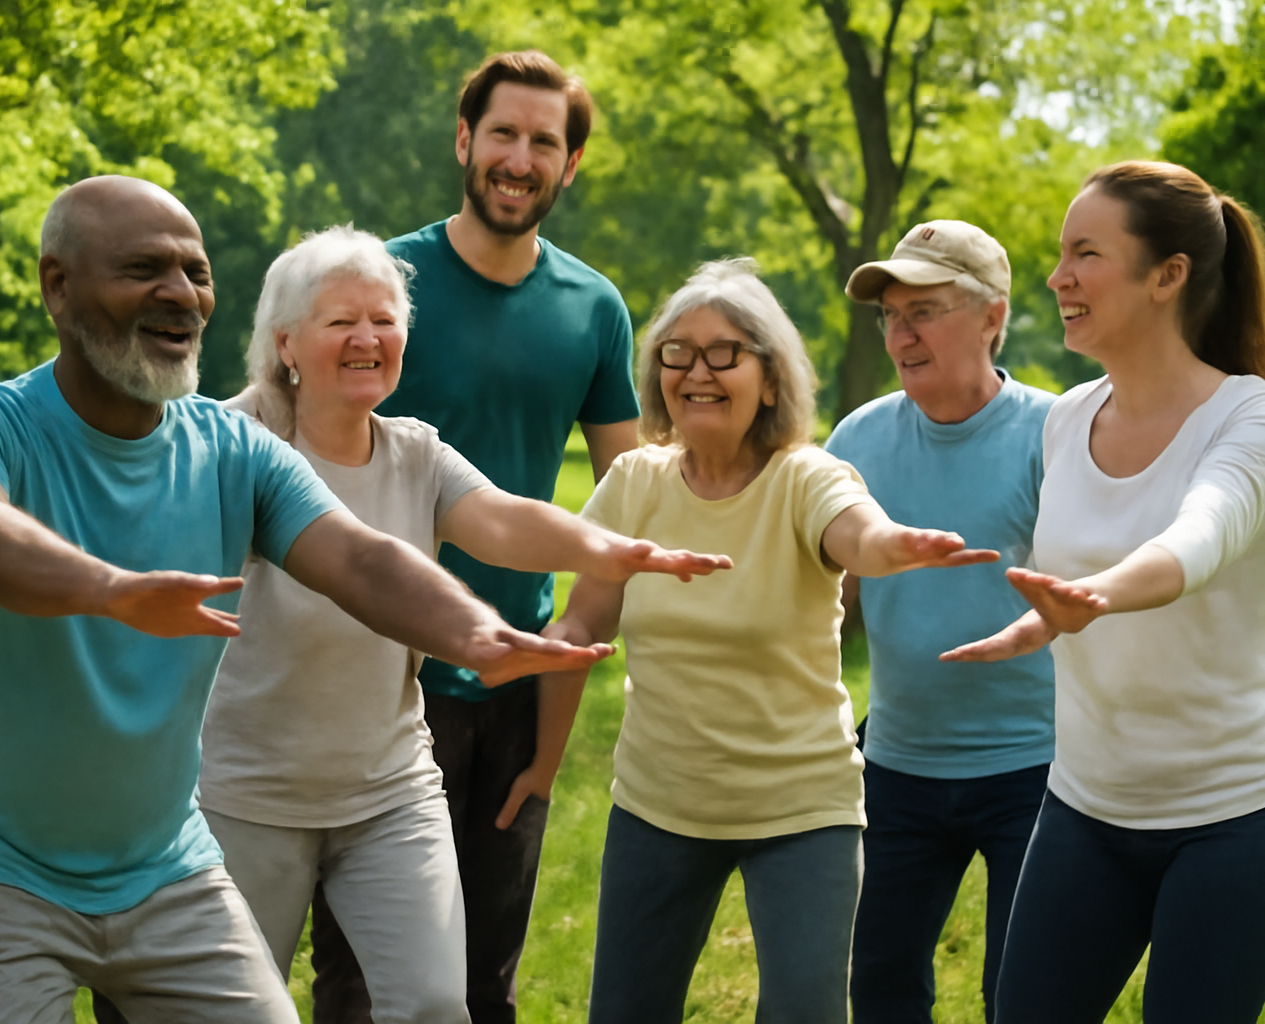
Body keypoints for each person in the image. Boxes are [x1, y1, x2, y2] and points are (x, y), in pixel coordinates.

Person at [0, 175, 612, 1024]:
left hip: (160, 869)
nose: (180, 294)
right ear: (58, 285)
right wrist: (112, 590)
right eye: (144, 269)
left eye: (196, 272)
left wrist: (478, 634)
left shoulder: (230, 448)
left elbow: (359, 558)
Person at [195, 225, 728, 1024]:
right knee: (231, 1012)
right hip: (249, 792)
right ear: (286, 344)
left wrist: (615, 547)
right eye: (342, 322)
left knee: (438, 1003)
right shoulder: (225, 442)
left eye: (384, 320)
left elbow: (507, 522)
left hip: (387, 789)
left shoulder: (415, 453)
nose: (368, 338)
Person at [542, 258, 998, 1023]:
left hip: (800, 808)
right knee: (624, 1010)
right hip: (661, 801)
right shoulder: (635, 482)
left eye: (724, 352)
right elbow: (586, 616)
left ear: (772, 378)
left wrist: (894, 546)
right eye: (676, 354)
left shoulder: (806, 478)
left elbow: (860, 535)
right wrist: (548, 647)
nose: (697, 372)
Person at [308, 50, 640, 1024]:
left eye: (545, 140)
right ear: (465, 141)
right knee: (363, 975)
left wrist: (576, 643)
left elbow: (629, 488)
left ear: (569, 165)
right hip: (381, 667)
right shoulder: (381, 285)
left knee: (485, 975)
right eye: (504, 133)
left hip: (517, 675)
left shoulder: (594, 308)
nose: (520, 156)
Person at [944, 161, 1265, 1024]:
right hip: (1087, 807)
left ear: (1168, 277)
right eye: (1060, 254)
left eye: (1086, 254)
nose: (1057, 277)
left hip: (1235, 815)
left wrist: (1096, 595)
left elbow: (1202, 532)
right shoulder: (1068, 419)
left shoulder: (1252, 416)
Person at [825, 220, 1056, 1023]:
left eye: (923, 310)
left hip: (1036, 771)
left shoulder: (1054, 435)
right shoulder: (857, 437)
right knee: (879, 983)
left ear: (993, 317)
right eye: (890, 315)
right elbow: (832, 602)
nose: (901, 334)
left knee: (1024, 994)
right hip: (895, 768)